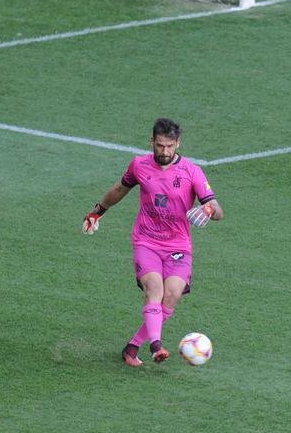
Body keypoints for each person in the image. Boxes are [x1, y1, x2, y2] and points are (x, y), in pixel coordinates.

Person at [83, 117, 223, 365]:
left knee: (172, 295)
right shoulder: (139, 165)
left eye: (169, 146)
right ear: (152, 142)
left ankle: (132, 347)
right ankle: (156, 345)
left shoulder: (192, 172)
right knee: (154, 290)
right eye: (160, 145)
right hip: (146, 241)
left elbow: (218, 210)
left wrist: (209, 210)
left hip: (178, 246)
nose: (164, 151)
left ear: (178, 144)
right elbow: (119, 190)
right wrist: (97, 211)